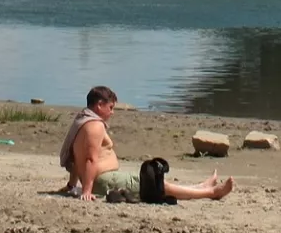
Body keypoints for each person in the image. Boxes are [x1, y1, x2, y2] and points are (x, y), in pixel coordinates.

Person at [58, 85, 232, 202]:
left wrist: (72, 185)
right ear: (99, 105)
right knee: (156, 185)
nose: (112, 112)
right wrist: (87, 190)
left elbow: (75, 159)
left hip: (104, 179)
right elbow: (89, 159)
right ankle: (211, 193)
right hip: (103, 181)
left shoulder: (82, 121)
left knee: (153, 180)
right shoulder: (94, 126)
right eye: (110, 107)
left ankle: (201, 187)